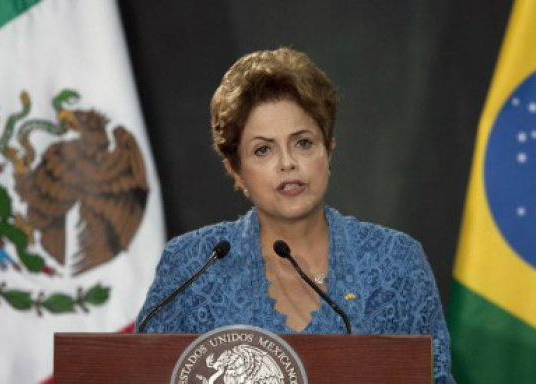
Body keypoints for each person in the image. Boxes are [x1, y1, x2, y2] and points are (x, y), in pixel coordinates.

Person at [136, 47, 455, 383]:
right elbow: (138, 375)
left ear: (328, 151)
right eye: (263, 149)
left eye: (303, 143)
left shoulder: (397, 262)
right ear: (236, 171)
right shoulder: (191, 266)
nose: (287, 163)